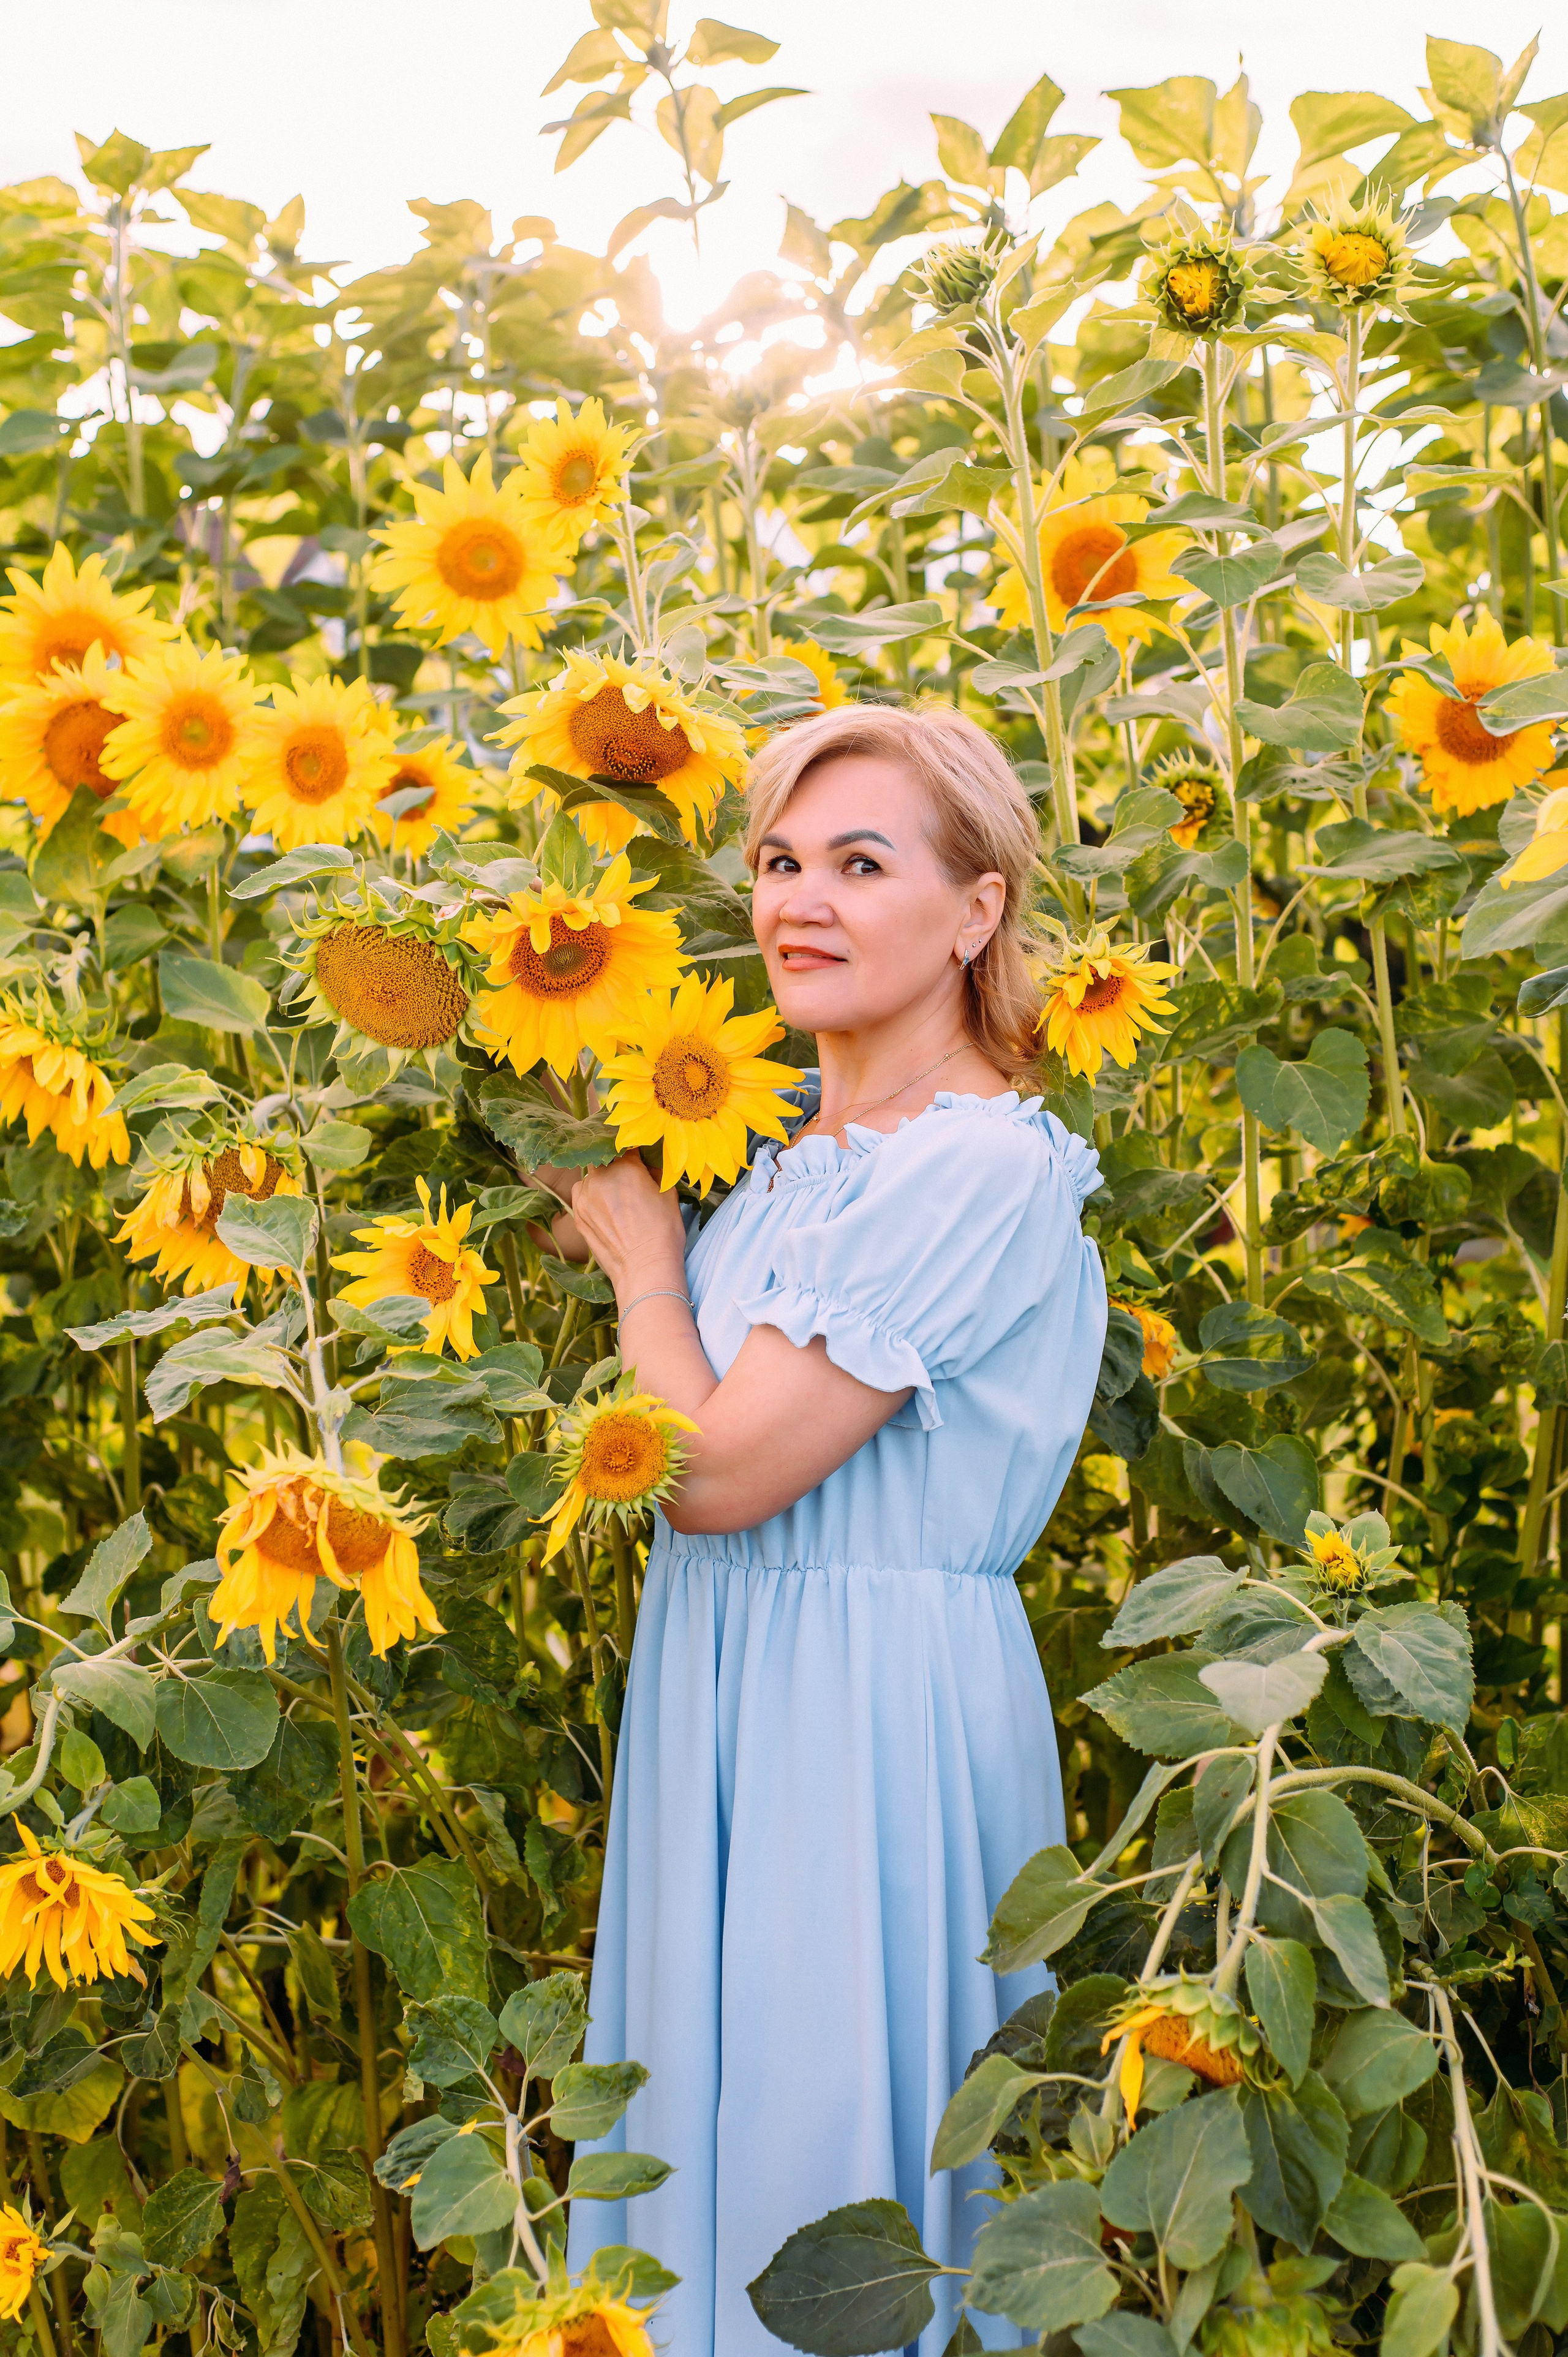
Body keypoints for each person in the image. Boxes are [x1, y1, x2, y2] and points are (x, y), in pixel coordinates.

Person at [559, 702, 1108, 2356]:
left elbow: (715, 1473)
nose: (800, 899)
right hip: (723, 1683)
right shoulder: (790, 1163)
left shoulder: (979, 1169)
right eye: (780, 860)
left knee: (823, 2163)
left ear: (976, 910)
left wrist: (645, 1265)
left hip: (870, 1720)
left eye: (861, 863)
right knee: (698, 2147)